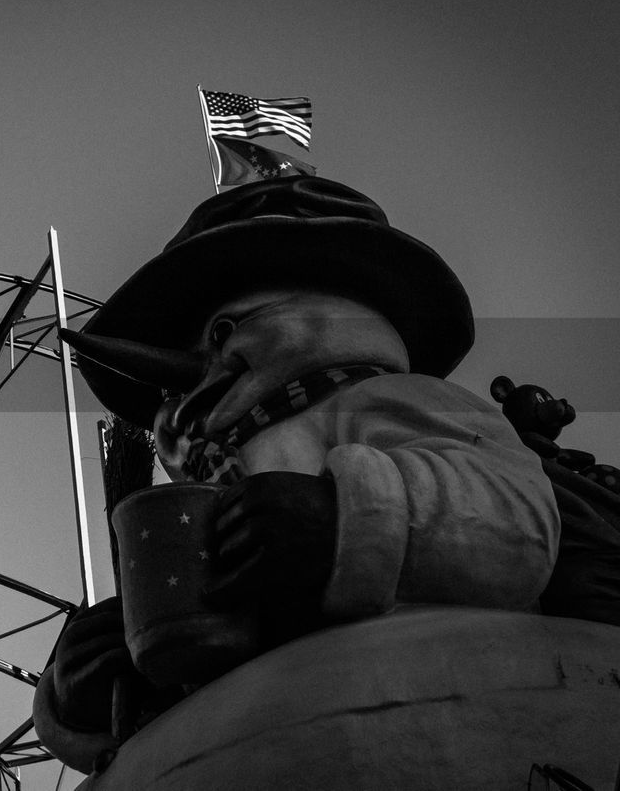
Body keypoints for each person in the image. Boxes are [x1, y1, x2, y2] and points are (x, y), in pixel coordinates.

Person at [32, 175, 559, 774]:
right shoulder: (193, 494)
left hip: (421, 726)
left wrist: (348, 519)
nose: (183, 386)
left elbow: (518, 522)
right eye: (166, 391)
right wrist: (81, 695)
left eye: (224, 331)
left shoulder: (391, 400)